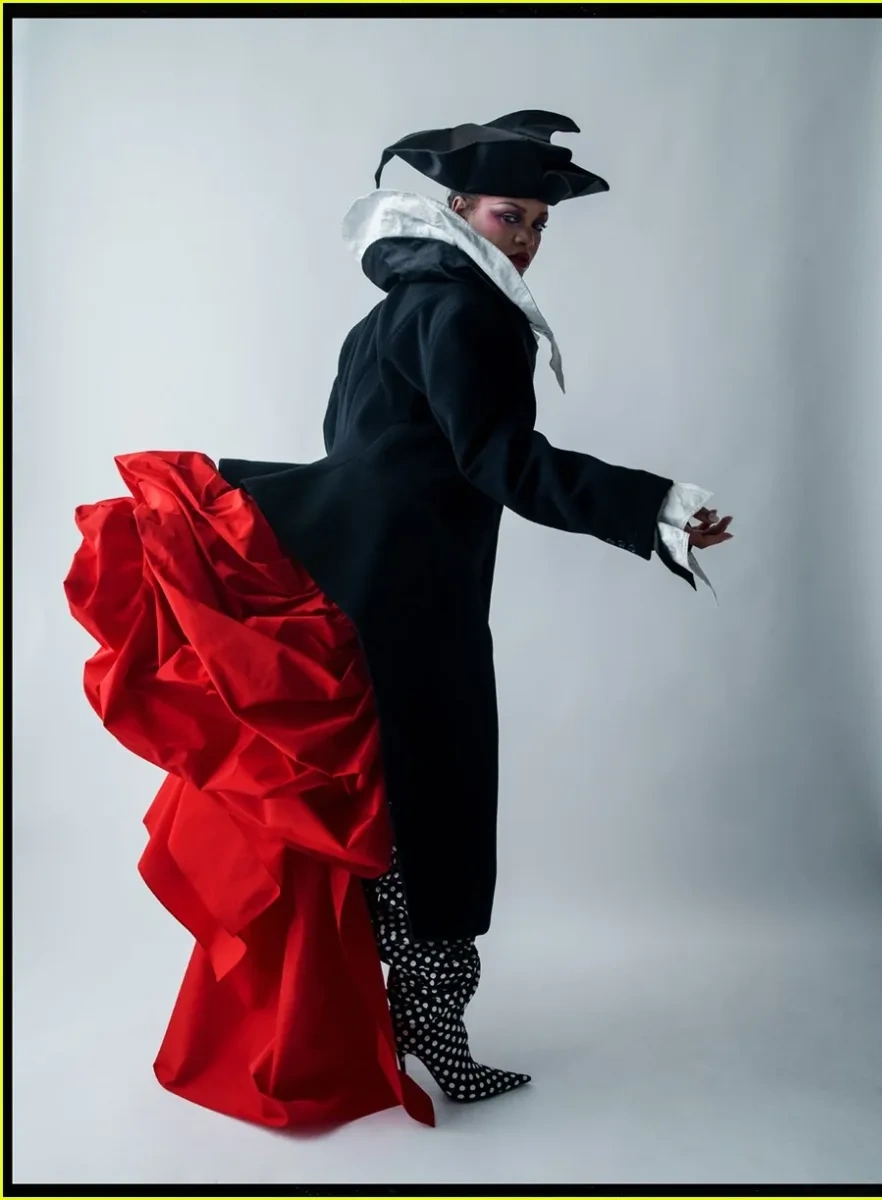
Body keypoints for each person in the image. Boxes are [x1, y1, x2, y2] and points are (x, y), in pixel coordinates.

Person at [64, 110, 733, 1131]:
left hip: (361, 583)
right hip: (413, 601)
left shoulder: (388, 315)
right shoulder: (467, 312)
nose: (526, 238)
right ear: (459, 209)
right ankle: (430, 1032)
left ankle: (389, 1024)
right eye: (510, 216)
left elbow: (358, 444)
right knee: (437, 808)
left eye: (538, 223)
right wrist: (656, 512)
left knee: (386, 807)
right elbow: (502, 461)